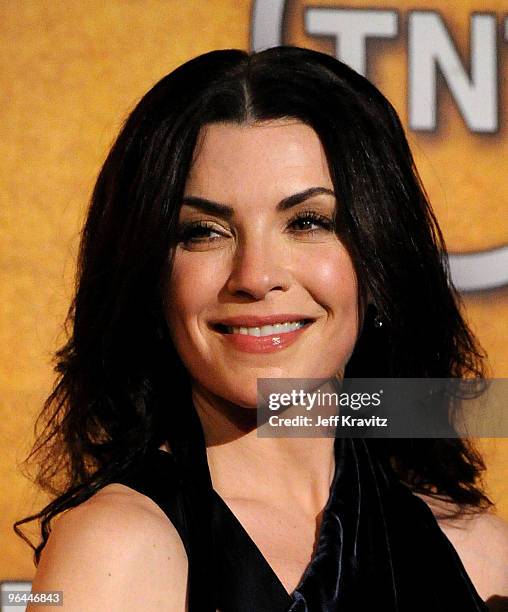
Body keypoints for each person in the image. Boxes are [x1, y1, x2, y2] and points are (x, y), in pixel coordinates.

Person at [15, 46, 508, 611]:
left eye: (307, 222)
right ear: (149, 275)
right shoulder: (116, 552)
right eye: (203, 231)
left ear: (379, 257)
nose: (254, 277)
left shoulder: (479, 553)